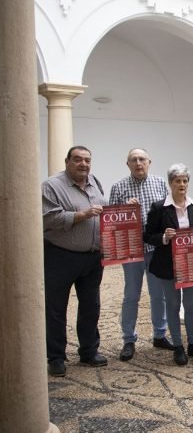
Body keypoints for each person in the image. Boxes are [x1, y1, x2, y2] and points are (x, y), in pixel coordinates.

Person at [43, 146, 108, 377]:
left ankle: (89, 351)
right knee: (56, 308)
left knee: (91, 306)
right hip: (61, 256)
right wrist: (82, 215)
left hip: (92, 257)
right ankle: (56, 358)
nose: (83, 164)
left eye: (87, 160)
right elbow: (48, 219)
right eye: (78, 160)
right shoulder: (52, 186)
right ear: (67, 161)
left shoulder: (94, 182)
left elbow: (102, 209)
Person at [144, 163, 193, 366]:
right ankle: (178, 346)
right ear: (170, 183)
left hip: (192, 265)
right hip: (169, 266)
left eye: (185, 181)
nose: (182, 184)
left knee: (191, 305)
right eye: (177, 181)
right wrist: (164, 237)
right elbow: (148, 235)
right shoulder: (159, 207)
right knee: (173, 305)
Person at [110, 148, 173, 362]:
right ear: (127, 164)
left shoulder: (161, 184)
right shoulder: (118, 187)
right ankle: (129, 339)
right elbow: (111, 222)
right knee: (131, 296)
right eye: (134, 160)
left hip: (156, 250)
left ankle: (159, 334)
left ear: (149, 162)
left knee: (159, 295)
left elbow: (168, 214)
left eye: (142, 159)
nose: (138, 163)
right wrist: (123, 208)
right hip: (132, 251)